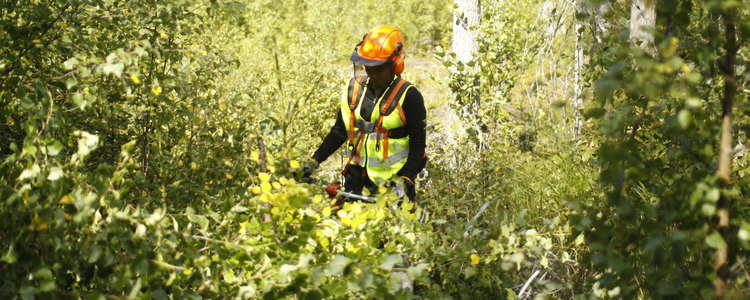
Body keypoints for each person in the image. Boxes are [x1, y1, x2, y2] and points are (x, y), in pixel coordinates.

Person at [300, 25, 427, 202]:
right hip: (355, 178)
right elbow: (339, 132)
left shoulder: (409, 95)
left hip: (394, 181)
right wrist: (314, 161)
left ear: (395, 65)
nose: (372, 74)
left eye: (379, 69)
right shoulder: (353, 90)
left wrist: (406, 179)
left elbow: (418, 145)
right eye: (368, 67)